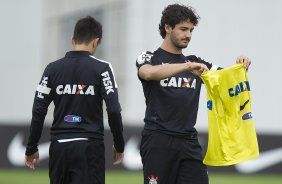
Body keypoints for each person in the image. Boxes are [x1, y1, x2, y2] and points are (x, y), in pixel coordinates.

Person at [136, 4, 251, 184]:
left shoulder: (197, 63)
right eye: (183, 29)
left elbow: (226, 77)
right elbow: (147, 73)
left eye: (191, 30)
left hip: (189, 142)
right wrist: (187, 66)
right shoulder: (150, 57)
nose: (188, 35)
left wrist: (241, 66)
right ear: (167, 27)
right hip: (158, 140)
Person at [25, 16, 125, 184]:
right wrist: (119, 145)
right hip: (89, 147)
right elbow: (114, 110)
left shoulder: (52, 69)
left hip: (59, 148)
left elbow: (38, 110)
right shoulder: (103, 69)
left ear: (72, 39)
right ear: (96, 41)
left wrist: (31, 147)